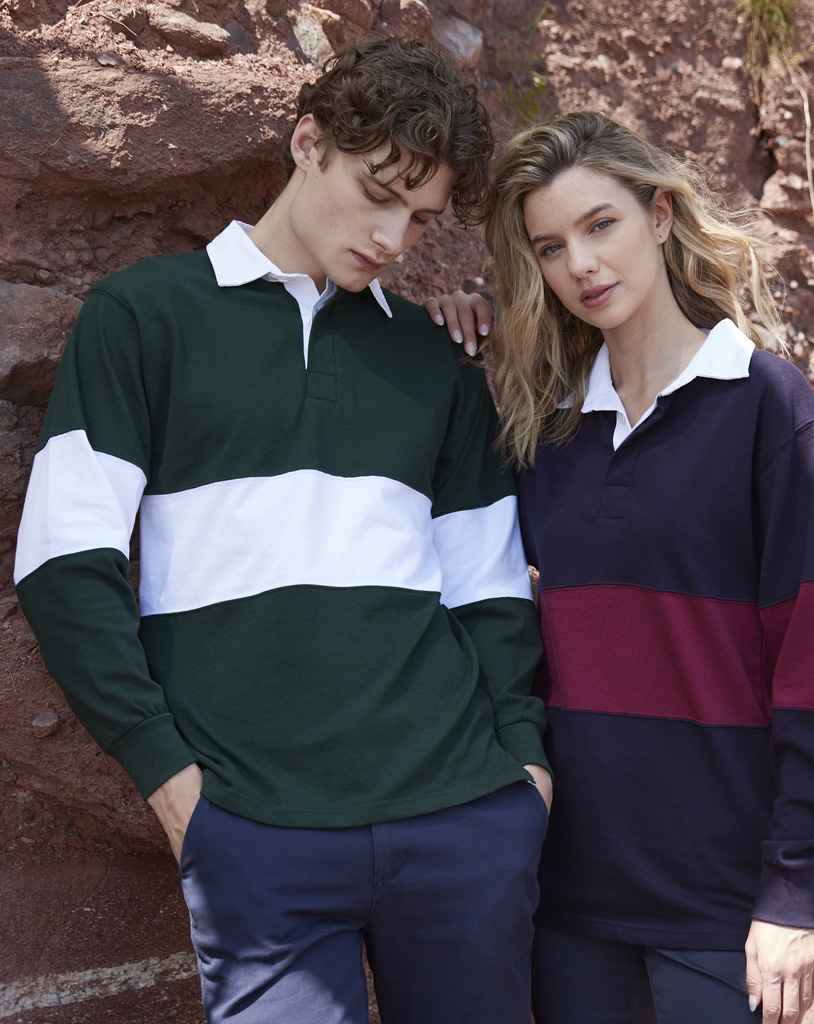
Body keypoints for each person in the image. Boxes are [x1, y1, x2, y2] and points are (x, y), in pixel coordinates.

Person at [13, 38, 553, 1024]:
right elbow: (63, 561)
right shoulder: (145, 316)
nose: (392, 236)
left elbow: (488, 589)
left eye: (419, 217)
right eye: (377, 193)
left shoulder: (431, 360)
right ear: (308, 143)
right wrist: (167, 777)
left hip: (462, 821)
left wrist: (523, 773)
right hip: (253, 834)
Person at [425, 111, 814, 1024]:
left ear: (660, 216)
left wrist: (793, 888)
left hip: (720, 897)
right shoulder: (546, 424)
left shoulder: (765, 404)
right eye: (551, 247)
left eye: (602, 225)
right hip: (569, 889)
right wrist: (454, 329)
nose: (582, 265)